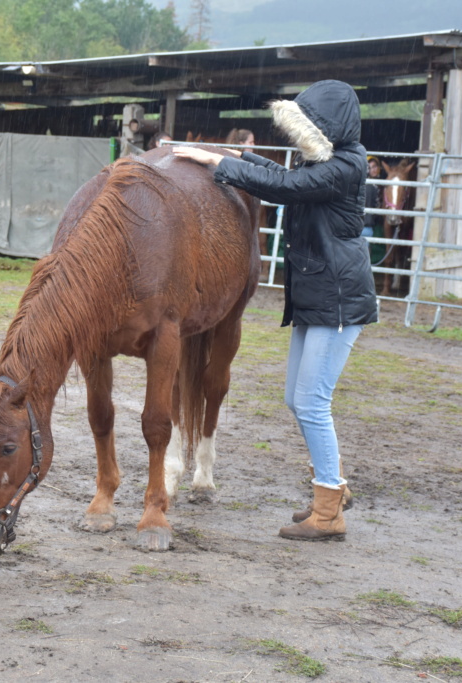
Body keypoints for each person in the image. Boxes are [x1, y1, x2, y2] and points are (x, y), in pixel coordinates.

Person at [173, 80, 377, 542]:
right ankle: (333, 487)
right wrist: (237, 158)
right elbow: (286, 174)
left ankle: (328, 511)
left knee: (311, 401)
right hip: (319, 298)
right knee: (297, 399)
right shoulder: (326, 161)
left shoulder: (346, 165)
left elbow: (287, 187)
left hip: (338, 299)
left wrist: (218, 163)